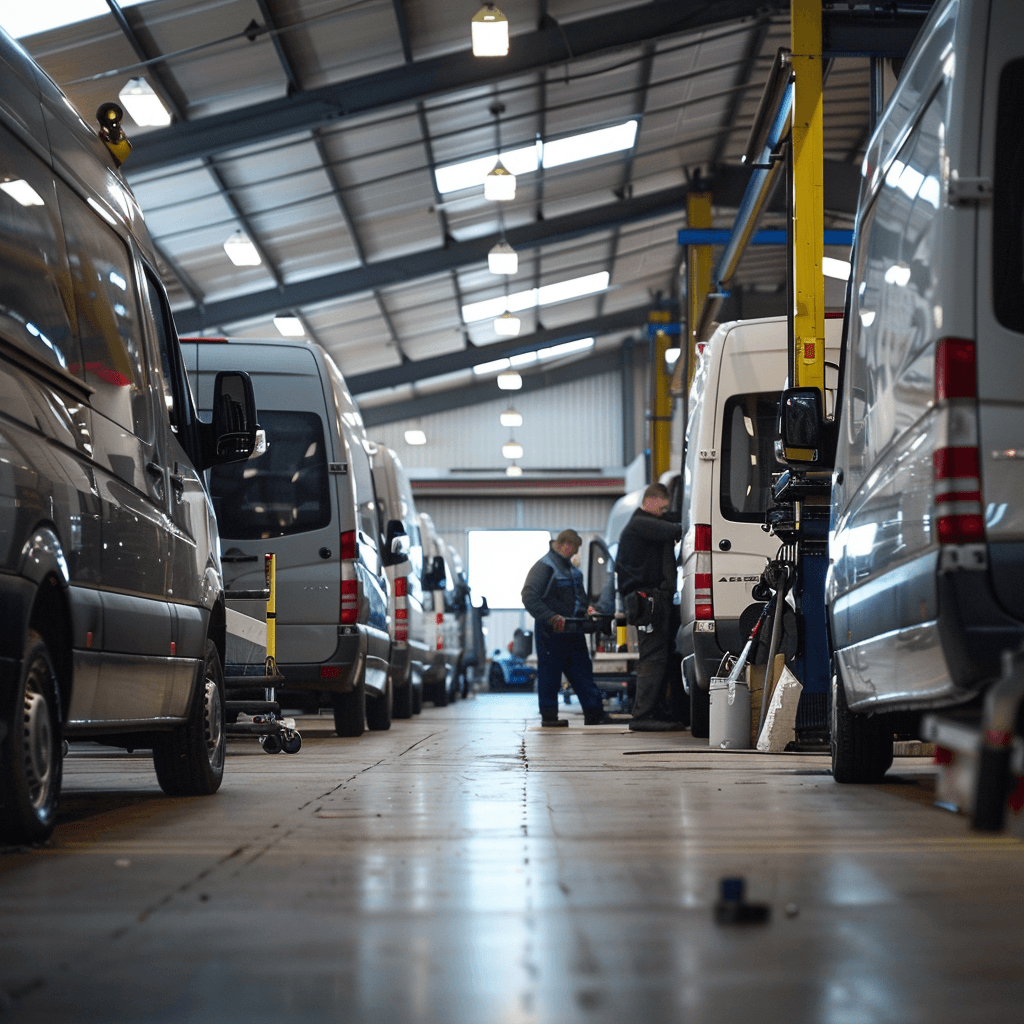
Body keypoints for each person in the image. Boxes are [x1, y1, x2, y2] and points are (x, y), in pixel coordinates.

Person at [521, 529, 611, 727]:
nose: (576, 553)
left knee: (583, 672)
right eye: (575, 548)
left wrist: (587, 609)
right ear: (565, 545)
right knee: (550, 674)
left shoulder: (570, 568)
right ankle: (549, 717)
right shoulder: (544, 567)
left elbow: (578, 597)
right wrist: (551, 617)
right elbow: (528, 596)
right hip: (551, 632)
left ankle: (595, 713)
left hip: (573, 628)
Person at [615, 483, 685, 731]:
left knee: (662, 655)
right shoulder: (640, 524)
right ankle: (642, 715)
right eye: (662, 508)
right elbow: (675, 529)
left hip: (654, 599)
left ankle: (657, 711)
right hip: (646, 600)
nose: (664, 512)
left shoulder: (647, 525)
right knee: (653, 657)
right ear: (651, 500)